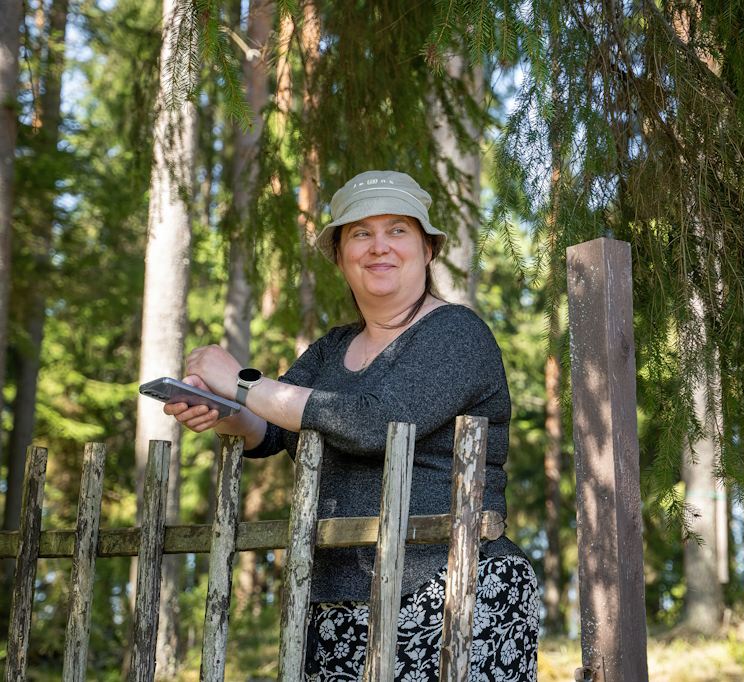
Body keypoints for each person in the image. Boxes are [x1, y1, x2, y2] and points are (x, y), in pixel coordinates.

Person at [164, 170, 539, 681]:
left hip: (451, 593)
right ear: (340, 256)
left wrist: (244, 381)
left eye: (397, 229)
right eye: (360, 233)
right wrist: (222, 408)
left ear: (428, 249)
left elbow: (373, 421)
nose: (378, 246)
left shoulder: (457, 334)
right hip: (336, 603)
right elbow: (270, 432)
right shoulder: (330, 350)